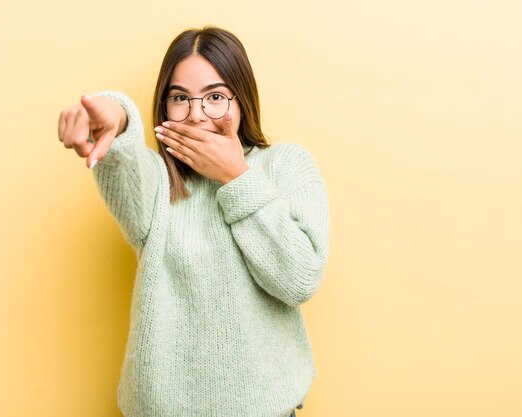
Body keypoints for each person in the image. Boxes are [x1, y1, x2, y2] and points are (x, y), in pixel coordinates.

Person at [57, 26, 329, 417]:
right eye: (180, 98)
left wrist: (236, 177)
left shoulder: (286, 165)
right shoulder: (156, 182)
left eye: (215, 97)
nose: (197, 115)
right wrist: (115, 115)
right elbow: (124, 154)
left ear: (242, 99)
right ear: (163, 107)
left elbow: (300, 279)